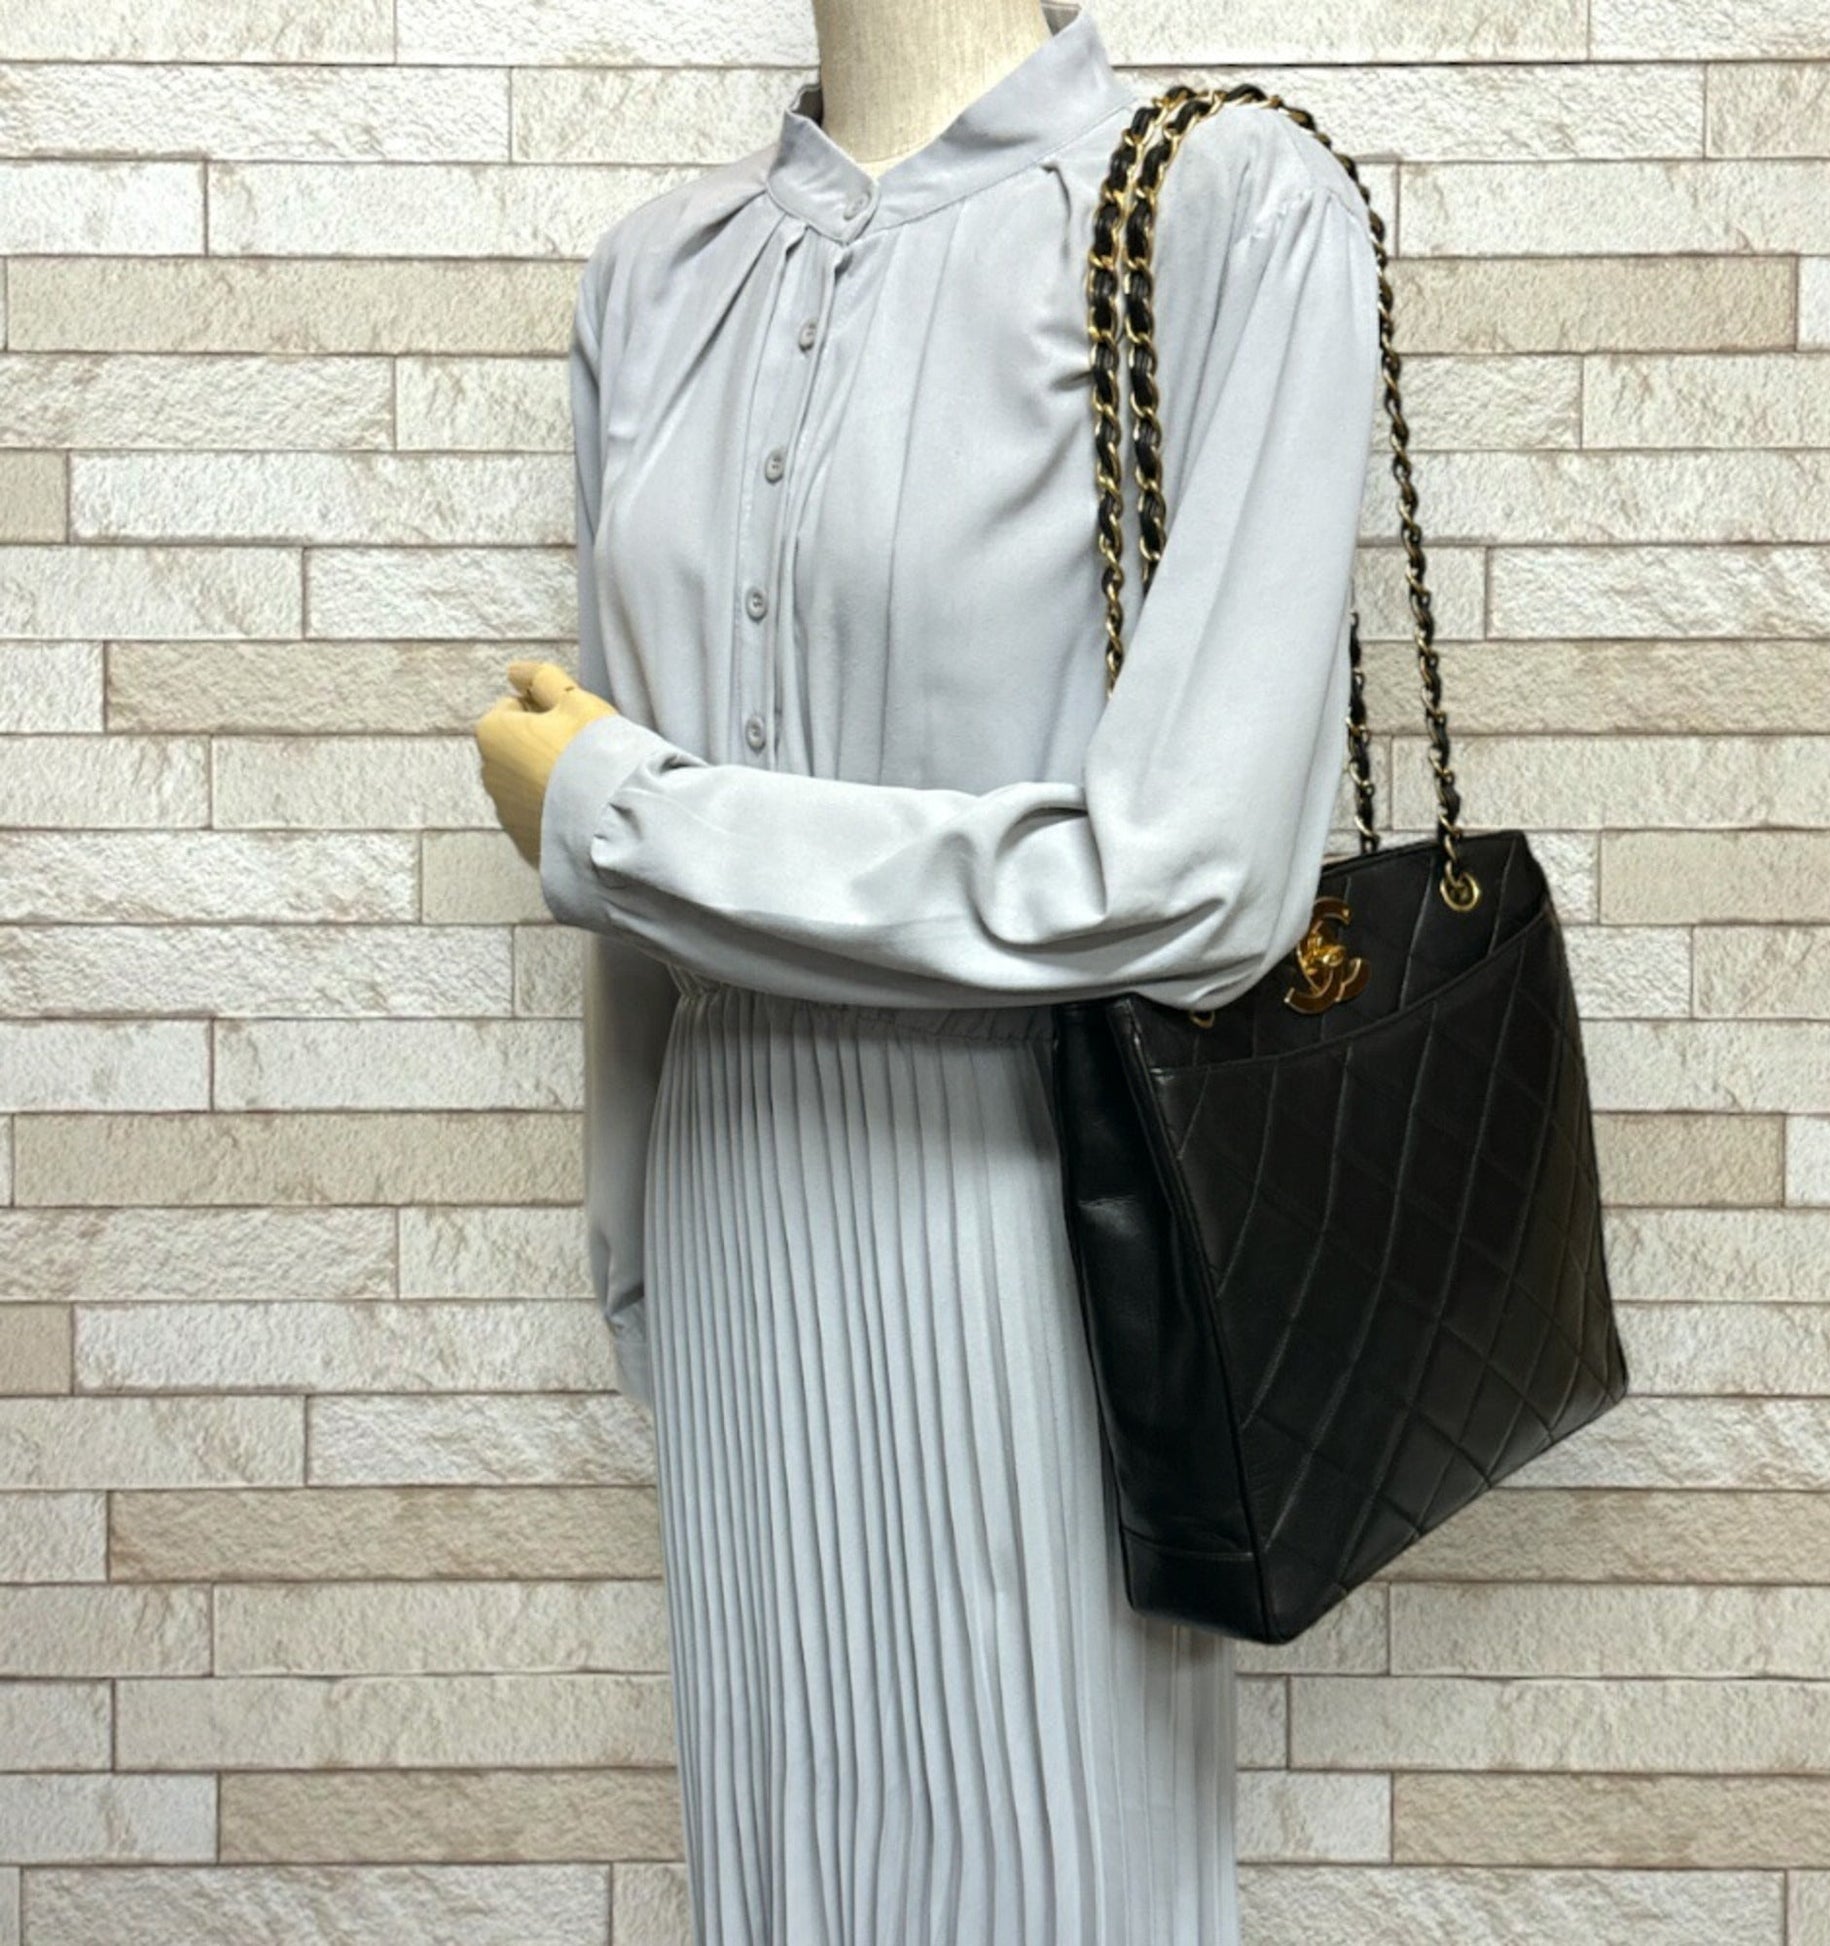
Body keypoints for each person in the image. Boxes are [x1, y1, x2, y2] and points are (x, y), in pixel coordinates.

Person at [474, 1, 1382, 1937]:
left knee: (1049, 1867)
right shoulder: (654, 281)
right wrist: (631, 1239)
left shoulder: (1228, 207)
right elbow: (641, 884)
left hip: (1044, 1256)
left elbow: (1197, 881)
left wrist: (625, 822)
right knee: (780, 1875)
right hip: (730, 1246)